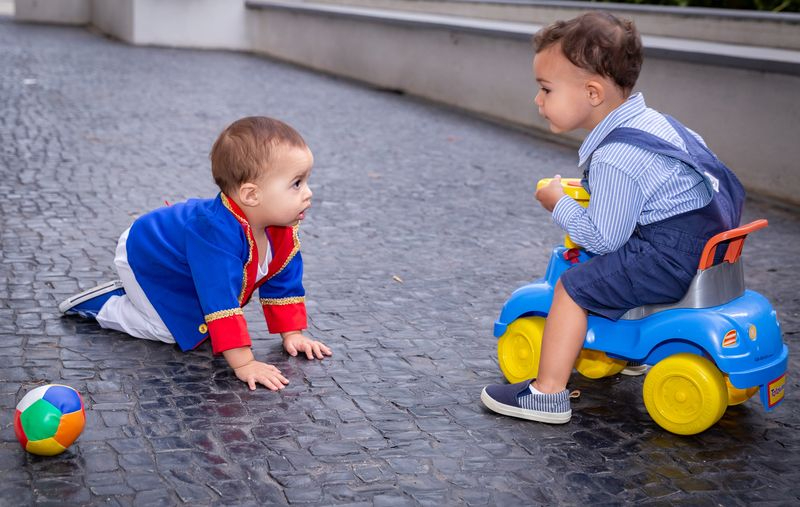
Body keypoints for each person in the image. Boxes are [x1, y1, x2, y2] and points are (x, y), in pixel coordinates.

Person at [480, 12, 744, 424]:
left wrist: (558, 204)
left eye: (546, 89)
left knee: (573, 287)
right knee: (614, 269)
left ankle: (547, 393)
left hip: (668, 254)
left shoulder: (616, 156)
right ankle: (628, 351)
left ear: (592, 92)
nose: (538, 100)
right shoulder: (656, 124)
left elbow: (601, 238)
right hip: (701, 243)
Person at [59, 116, 332, 391]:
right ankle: (107, 304)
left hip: (185, 258)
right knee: (169, 331)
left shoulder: (282, 231)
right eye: (296, 183)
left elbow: (283, 283)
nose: (308, 193)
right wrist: (244, 363)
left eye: (306, 181)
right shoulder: (216, 236)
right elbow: (220, 299)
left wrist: (293, 334)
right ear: (251, 195)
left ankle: (145, 299)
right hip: (149, 252)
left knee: (198, 321)